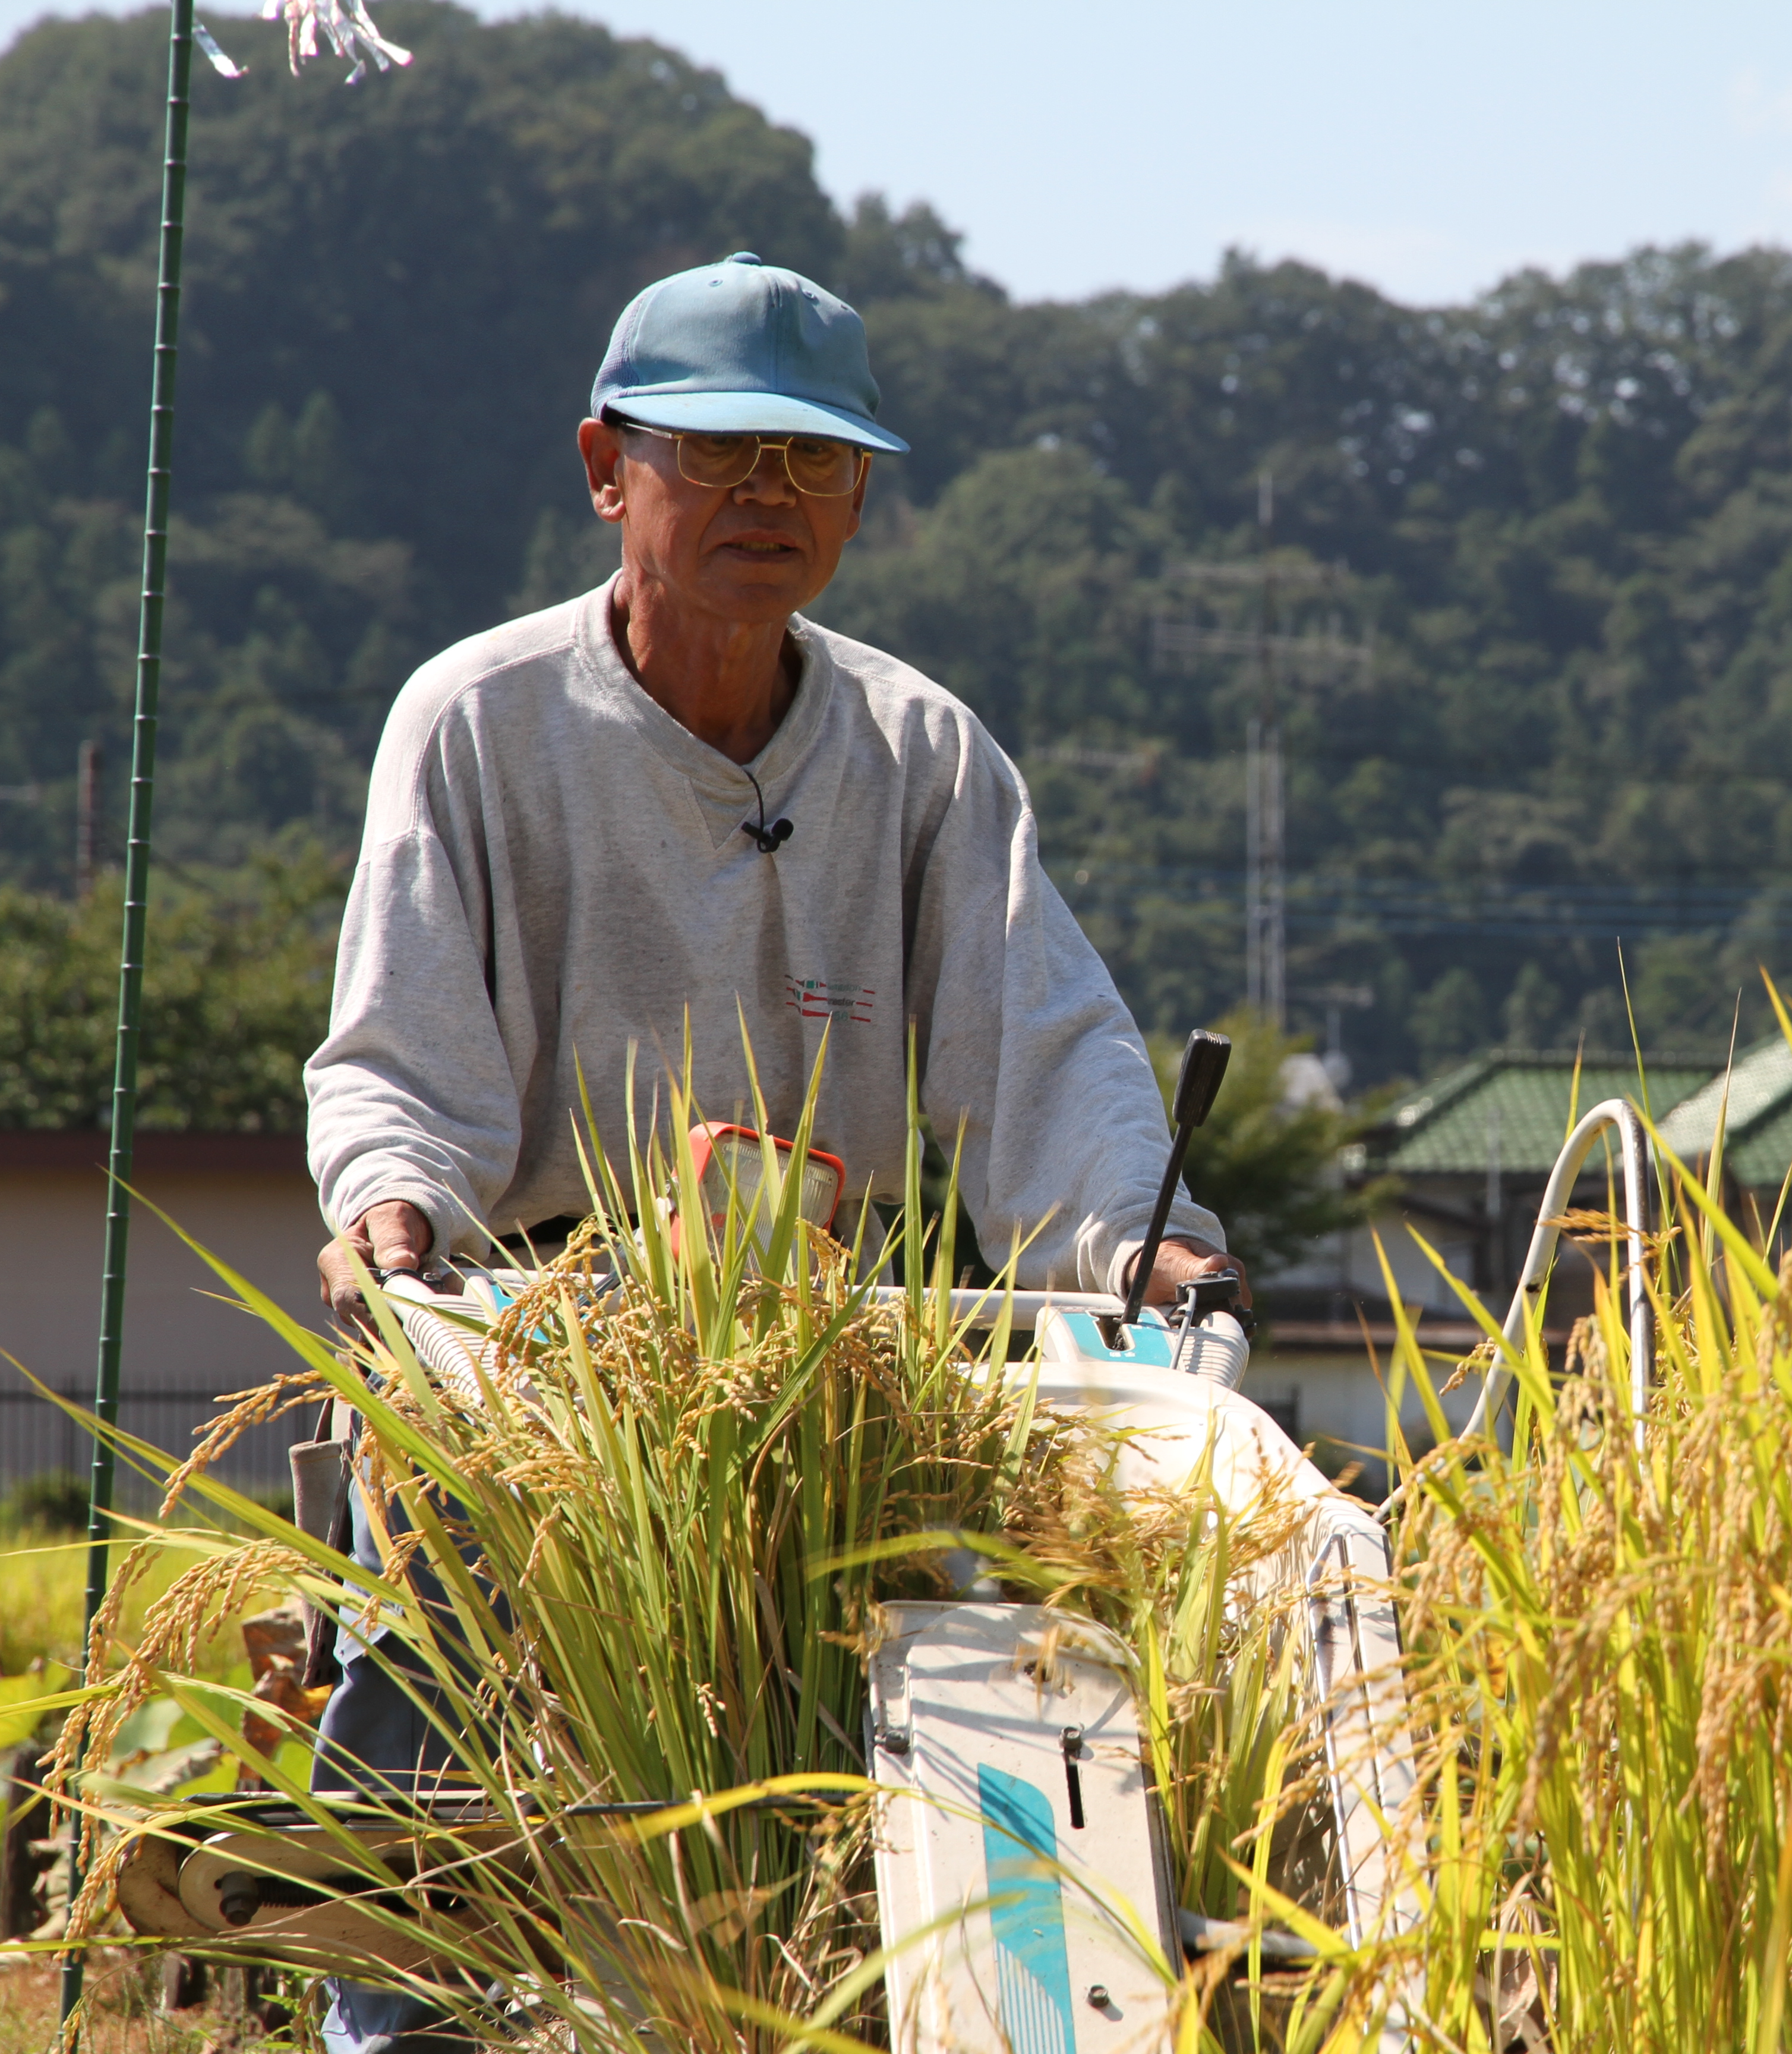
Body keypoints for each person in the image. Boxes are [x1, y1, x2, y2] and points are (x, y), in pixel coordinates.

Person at [298, 251, 1236, 2053]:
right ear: (606, 466)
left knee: (970, 1709)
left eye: (813, 464)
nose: (768, 499)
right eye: (719, 455)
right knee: (443, 1714)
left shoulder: (922, 752)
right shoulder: (481, 723)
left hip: (845, 1350)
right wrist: (398, 1218)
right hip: (542, 1348)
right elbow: (399, 1052)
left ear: (863, 496)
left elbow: (1044, 1051)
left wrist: (1136, 1238)